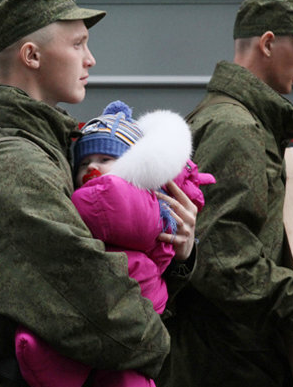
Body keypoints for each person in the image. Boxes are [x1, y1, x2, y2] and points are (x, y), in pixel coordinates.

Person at [0, 0, 198, 387]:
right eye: (79, 44)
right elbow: (94, 307)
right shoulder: (14, 166)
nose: (91, 59)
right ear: (32, 56)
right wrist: (162, 345)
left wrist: (177, 252)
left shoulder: (48, 145)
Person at [156, 0, 293, 387]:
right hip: (225, 360)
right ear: (268, 43)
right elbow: (220, 246)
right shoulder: (236, 128)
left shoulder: (226, 115)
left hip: (222, 352)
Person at [13, 101, 215, 387]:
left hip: (130, 313)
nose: (93, 166)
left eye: (107, 159)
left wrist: (184, 258)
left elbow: (113, 206)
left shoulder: (133, 199)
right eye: (84, 162)